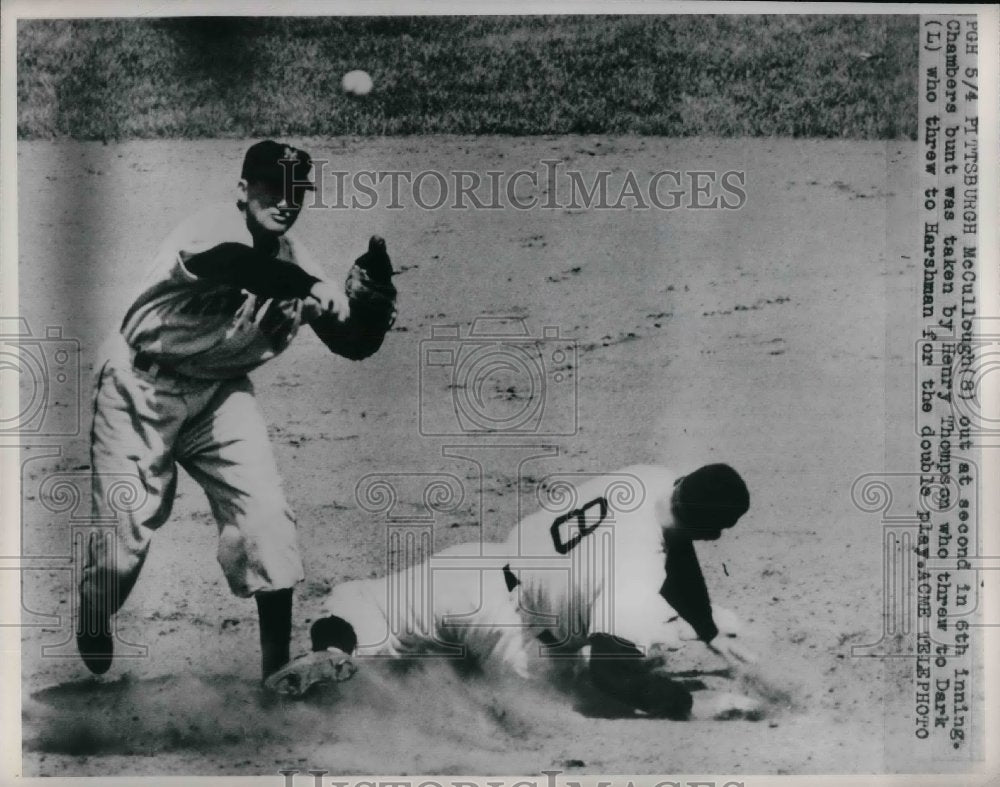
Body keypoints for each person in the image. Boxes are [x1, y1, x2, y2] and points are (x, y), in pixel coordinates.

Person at [77, 140, 380, 684]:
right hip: (140, 388)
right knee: (121, 545)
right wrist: (311, 286)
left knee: (266, 519)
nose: (285, 203)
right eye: (272, 189)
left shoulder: (295, 261)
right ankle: (95, 610)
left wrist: (370, 307)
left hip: (219, 394)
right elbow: (236, 265)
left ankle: (276, 672)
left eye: (295, 193)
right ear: (244, 191)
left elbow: (351, 341)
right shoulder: (213, 229)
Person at [268, 464, 760, 719]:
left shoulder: (648, 478)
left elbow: (678, 548)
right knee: (608, 668)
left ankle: (334, 651)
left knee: (362, 603)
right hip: (520, 646)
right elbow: (615, 673)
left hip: (476, 569)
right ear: (707, 524)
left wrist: (708, 629)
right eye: (722, 526)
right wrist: (688, 705)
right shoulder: (638, 575)